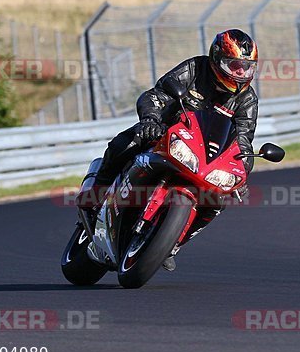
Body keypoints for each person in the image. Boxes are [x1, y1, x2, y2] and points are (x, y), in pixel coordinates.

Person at [78, 29, 259, 271]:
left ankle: (173, 242)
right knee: (124, 144)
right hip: (166, 131)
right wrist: (151, 120)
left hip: (205, 155)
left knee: (218, 200)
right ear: (217, 59)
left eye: (247, 67)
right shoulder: (195, 69)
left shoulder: (247, 100)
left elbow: (244, 141)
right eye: (235, 65)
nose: (240, 73)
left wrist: (242, 172)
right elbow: (157, 94)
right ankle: (96, 195)